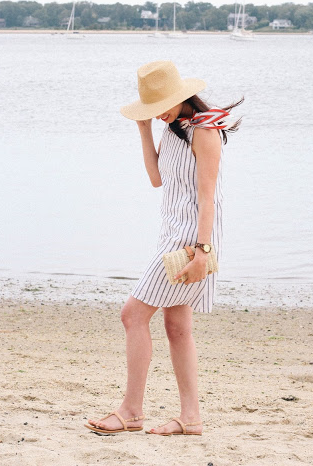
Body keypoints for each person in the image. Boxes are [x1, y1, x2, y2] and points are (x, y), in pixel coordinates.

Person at [85, 60, 242, 437]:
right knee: (177, 326)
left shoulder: (204, 132)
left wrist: (203, 249)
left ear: (182, 95)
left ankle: (131, 411)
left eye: (161, 106)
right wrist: (143, 130)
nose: (158, 114)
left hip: (190, 239)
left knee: (132, 315)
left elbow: (209, 198)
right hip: (170, 233)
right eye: (152, 110)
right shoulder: (174, 128)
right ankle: (190, 419)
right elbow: (157, 179)